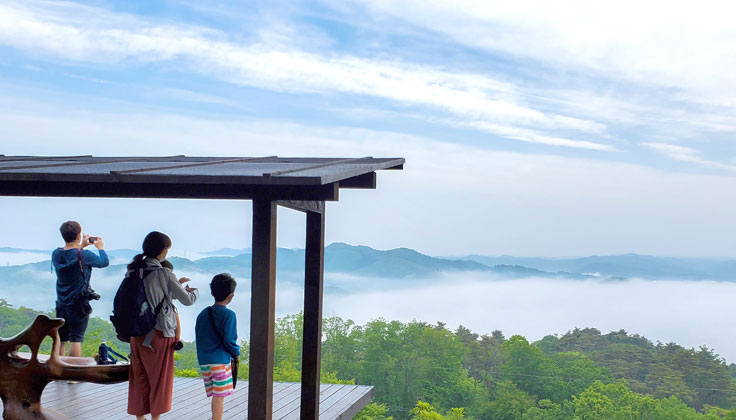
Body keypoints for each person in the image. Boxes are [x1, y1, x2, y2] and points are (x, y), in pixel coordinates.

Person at [127, 231, 198, 420]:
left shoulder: (133, 269)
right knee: (159, 382)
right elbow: (188, 300)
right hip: (158, 335)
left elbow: (150, 297)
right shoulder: (164, 272)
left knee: (139, 380)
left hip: (135, 333)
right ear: (162, 251)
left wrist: (172, 288)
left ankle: (140, 418)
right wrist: (194, 291)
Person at [52, 221, 109, 357]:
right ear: (78, 236)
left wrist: (81, 246)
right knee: (76, 339)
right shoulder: (85, 255)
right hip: (78, 303)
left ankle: (58, 371)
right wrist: (100, 248)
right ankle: (72, 374)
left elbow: (71, 256)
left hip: (61, 302)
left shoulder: (56, 254)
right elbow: (104, 262)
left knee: (62, 338)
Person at [195, 273, 240, 420]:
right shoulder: (229, 315)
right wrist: (236, 352)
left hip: (204, 362)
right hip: (220, 362)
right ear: (231, 296)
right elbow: (229, 341)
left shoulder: (203, 314)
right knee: (219, 397)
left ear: (212, 292)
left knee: (216, 396)